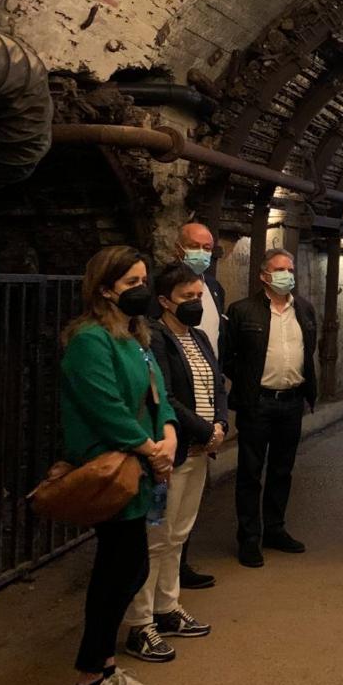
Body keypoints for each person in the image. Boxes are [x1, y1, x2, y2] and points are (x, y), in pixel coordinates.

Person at [59, 246, 177, 685]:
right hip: (114, 468)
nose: (141, 290)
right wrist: (150, 449)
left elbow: (158, 392)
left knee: (127, 569)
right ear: (105, 289)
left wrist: (168, 431)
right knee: (118, 573)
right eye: (131, 283)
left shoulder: (135, 336)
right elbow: (103, 405)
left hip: (140, 464)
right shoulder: (90, 340)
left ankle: (105, 670)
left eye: (144, 280)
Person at [123, 263, 228, 662]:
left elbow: (216, 384)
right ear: (165, 301)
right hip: (173, 452)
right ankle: (140, 622)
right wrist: (204, 430)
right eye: (187, 297)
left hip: (200, 451)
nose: (196, 303)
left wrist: (220, 423)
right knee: (156, 539)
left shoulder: (198, 336)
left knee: (178, 535)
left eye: (199, 296)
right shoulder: (155, 338)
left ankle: (167, 608)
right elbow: (165, 396)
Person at [225, 247, 317, 568]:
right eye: (280, 270)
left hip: (291, 402)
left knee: (282, 470)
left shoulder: (304, 309)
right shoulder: (242, 311)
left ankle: (275, 529)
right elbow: (228, 356)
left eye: (290, 270)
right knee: (250, 473)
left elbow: (309, 350)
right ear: (264, 276)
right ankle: (249, 538)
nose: (287, 275)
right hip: (258, 403)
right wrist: (248, 382)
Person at [173, 221, 226, 590]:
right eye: (196, 246)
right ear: (178, 247)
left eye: (208, 248)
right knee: (173, 492)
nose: (203, 253)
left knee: (192, 492)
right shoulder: (166, 288)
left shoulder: (214, 288)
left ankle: (180, 563)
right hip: (180, 398)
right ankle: (164, 572)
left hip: (207, 396)